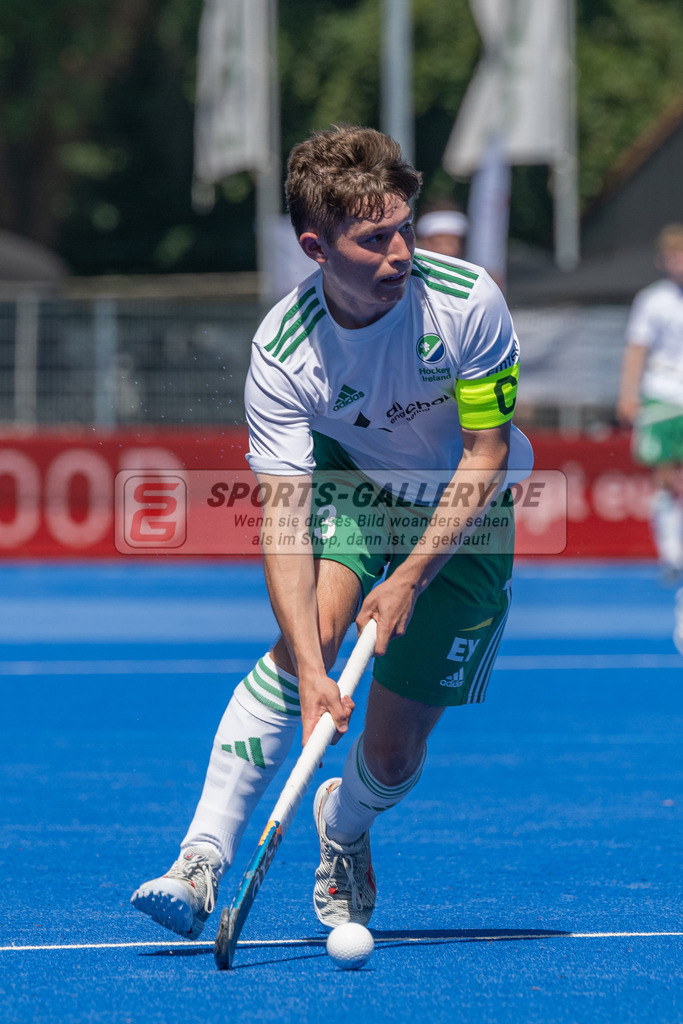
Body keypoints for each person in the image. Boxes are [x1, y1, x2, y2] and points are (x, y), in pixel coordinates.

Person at [130, 125, 533, 938]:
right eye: (374, 237)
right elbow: (281, 517)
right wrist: (315, 671)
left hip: (465, 509)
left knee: (390, 754)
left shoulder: (467, 302)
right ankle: (201, 856)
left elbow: (486, 453)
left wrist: (411, 575)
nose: (400, 252)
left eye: (404, 228)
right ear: (317, 247)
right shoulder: (283, 354)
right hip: (352, 481)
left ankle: (343, 827)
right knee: (307, 638)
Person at [617, 224, 683, 580]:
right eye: (674, 256)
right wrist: (628, 394)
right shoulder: (652, 300)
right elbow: (636, 350)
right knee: (664, 476)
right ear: (663, 261)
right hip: (661, 394)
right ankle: (670, 553)